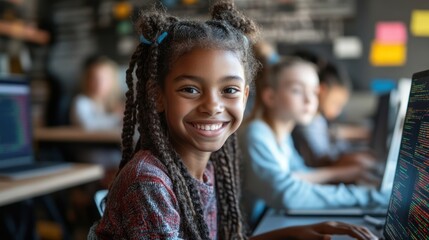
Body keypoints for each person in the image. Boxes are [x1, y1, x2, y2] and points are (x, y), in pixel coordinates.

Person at [88, 2, 378, 239]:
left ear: (245, 95)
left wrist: (291, 234)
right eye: (190, 89)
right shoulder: (149, 183)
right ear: (157, 96)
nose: (213, 105)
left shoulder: (203, 170)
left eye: (229, 90)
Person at [240, 58, 389, 228]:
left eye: (314, 92)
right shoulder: (256, 132)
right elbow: (288, 193)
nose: (310, 100)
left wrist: (343, 174)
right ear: (270, 97)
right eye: (297, 90)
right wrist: (367, 197)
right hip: (251, 230)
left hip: (266, 223)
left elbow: (297, 175)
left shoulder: (281, 135)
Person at [70, 55, 123, 131]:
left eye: (105, 79)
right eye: (94, 78)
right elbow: (87, 124)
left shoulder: (111, 103)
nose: (99, 83)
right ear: (87, 80)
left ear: (113, 81)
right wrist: (118, 118)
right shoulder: (80, 101)